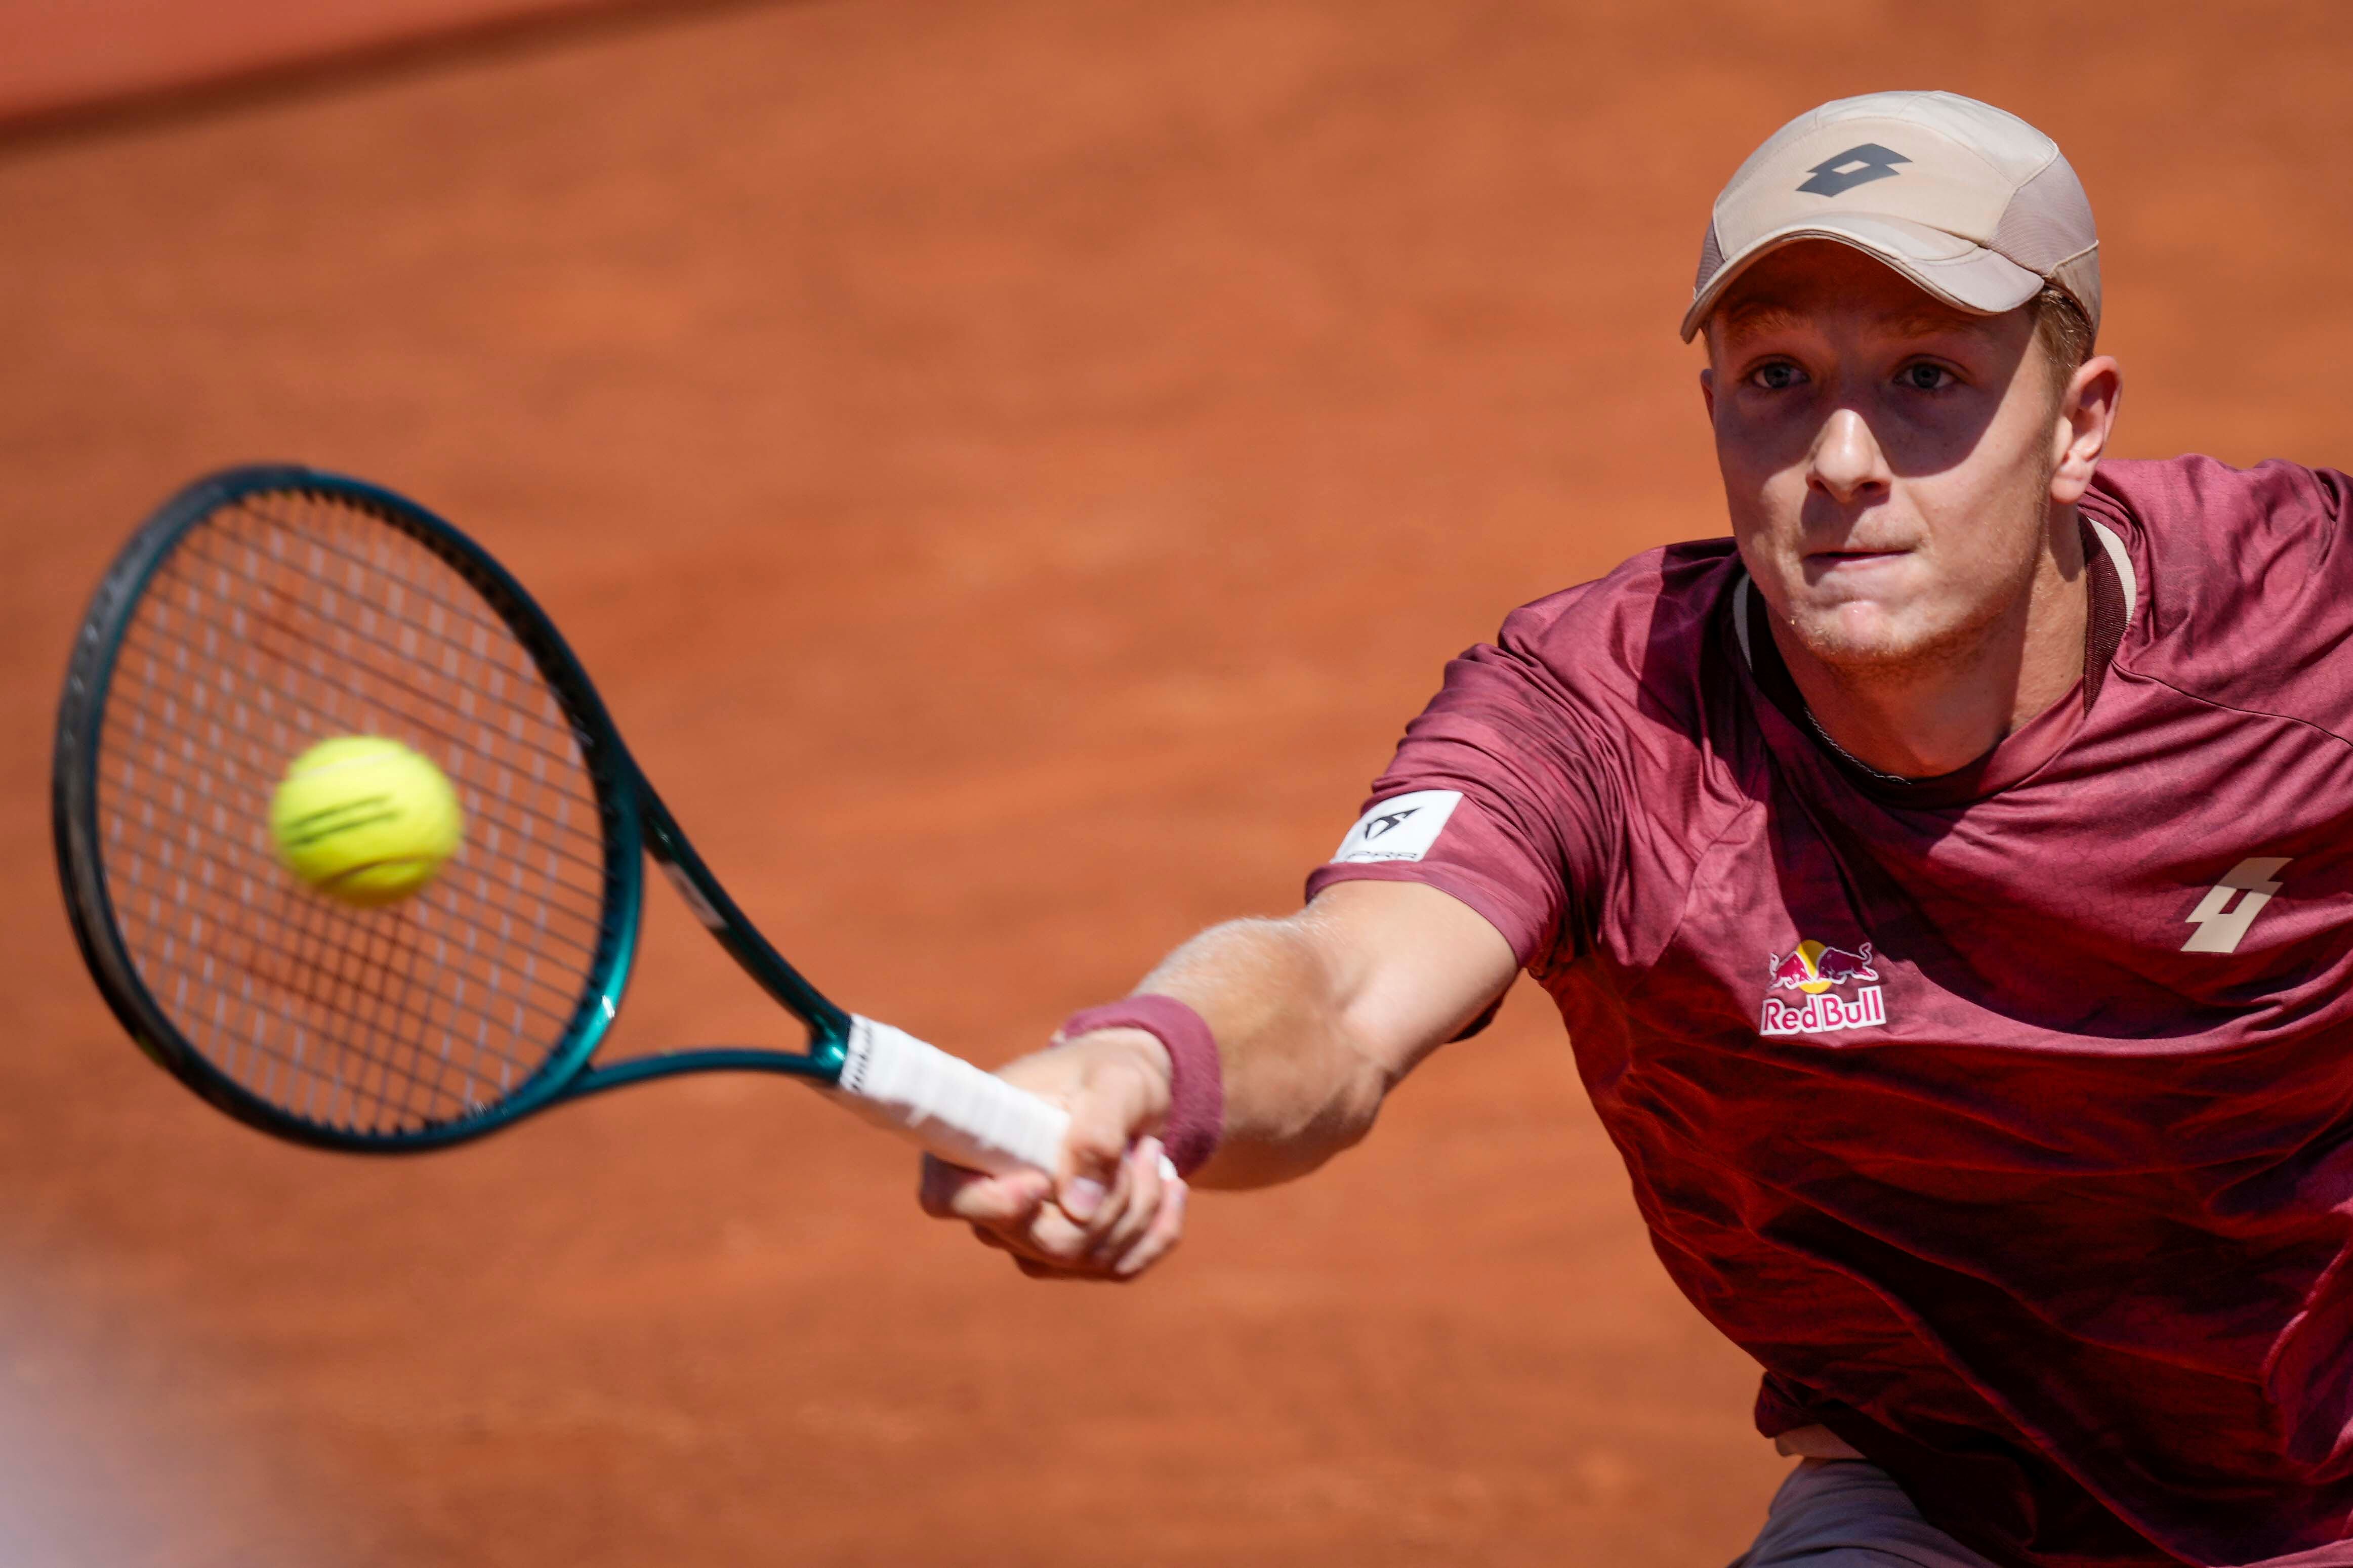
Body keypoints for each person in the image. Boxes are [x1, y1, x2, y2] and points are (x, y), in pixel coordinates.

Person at [918, 90, 2353, 1567]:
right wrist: (1148, 1057)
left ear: (2076, 425)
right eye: (1777, 376)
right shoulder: (1596, 720)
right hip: (1941, 1496)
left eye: (1928, 374)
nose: (1841, 457)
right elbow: (1342, 985)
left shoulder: (2305, 617)